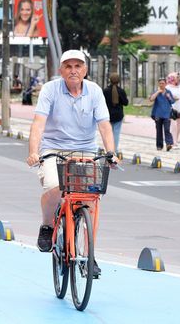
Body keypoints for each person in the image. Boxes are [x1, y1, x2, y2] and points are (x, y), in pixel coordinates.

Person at [26, 50, 117, 269]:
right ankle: (47, 225)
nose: (73, 70)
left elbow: (104, 125)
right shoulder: (50, 89)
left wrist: (111, 152)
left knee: (90, 198)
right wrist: (33, 151)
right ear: (61, 70)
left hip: (86, 151)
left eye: (78, 66)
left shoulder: (94, 91)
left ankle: (88, 254)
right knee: (55, 186)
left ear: (85, 70)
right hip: (53, 149)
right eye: (68, 66)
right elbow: (38, 123)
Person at [102, 73, 128, 153]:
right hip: (118, 115)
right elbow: (125, 103)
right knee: (116, 133)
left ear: (109, 80)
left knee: (107, 133)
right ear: (119, 81)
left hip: (107, 115)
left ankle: (108, 150)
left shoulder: (105, 91)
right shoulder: (121, 91)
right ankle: (114, 150)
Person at [150, 78, 176, 151]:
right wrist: (158, 92)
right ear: (158, 84)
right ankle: (159, 146)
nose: (161, 85)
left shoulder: (168, 92)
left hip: (167, 114)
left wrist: (169, 97)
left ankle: (169, 144)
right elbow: (151, 99)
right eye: (160, 83)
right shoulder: (156, 92)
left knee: (167, 129)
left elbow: (172, 101)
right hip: (158, 114)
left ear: (166, 84)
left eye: (163, 83)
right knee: (159, 130)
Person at [166, 72, 180, 147]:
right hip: (172, 108)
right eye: (177, 77)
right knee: (174, 125)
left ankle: (176, 140)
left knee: (179, 126)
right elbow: (165, 96)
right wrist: (172, 98)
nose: (178, 79)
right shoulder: (168, 87)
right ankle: (173, 141)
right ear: (172, 78)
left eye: (179, 77)